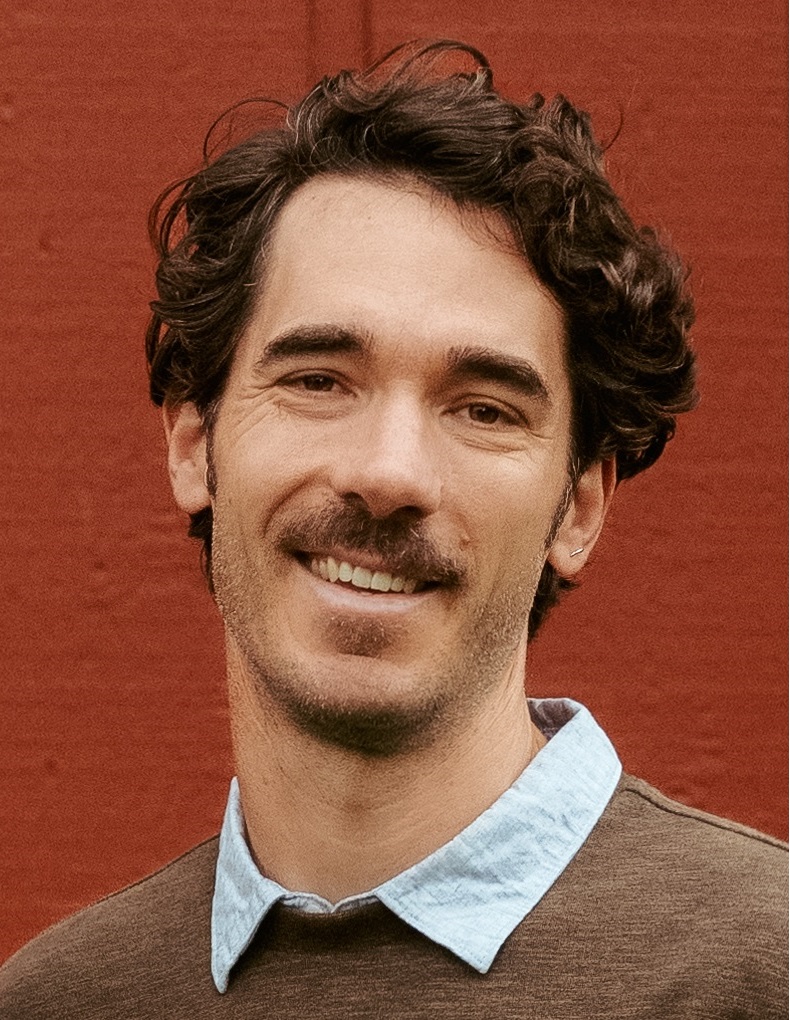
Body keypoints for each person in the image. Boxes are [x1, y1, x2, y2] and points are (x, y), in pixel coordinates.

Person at [1, 40, 786, 1019]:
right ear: (195, 445)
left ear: (579, 507)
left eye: (484, 408)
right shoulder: (61, 1002)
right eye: (318, 380)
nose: (388, 474)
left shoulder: (761, 975)